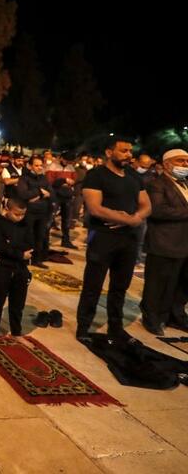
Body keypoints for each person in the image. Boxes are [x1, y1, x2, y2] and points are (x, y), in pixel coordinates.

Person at [76, 137, 151, 343]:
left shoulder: (134, 177)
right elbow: (95, 208)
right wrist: (129, 219)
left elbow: (146, 205)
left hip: (129, 240)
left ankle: (115, 327)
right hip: (103, 238)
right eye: (124, 150)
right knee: (93, 286)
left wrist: (132, 220)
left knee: (120, 287)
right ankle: (83, 327)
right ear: (109, 153)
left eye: (130, 151)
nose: (129, 154)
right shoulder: (96, 175)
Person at [140, 149, 188, 335]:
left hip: (184, 243)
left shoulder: (185, 183)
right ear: (167, 163)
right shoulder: (156, 184)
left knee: (181, 283)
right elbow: (159, 211)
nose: (185, 165)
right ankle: (151, 318)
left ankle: (174, 315)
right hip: (164, 242)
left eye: (187, 161)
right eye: (181, 161)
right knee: (157, 284)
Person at [0, 197, 34, 349]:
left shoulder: (26, 223)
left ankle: (16, 333)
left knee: (18, 303)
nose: (20, 217)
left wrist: (11, 246)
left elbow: (31, 244)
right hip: (2, 268)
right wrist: (19, 253)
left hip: (21, 269)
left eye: (23, 214)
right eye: (17, 214)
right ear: (7, 210)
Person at [16, 157, 53, 267]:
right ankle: (26, 258)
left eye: (41, 165)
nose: (39, 167)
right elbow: (23, 194)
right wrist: (39, 192)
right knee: (28, 235)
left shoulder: (44, 178)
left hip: (43, 211)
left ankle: (37, 259)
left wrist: (39, 195)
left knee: (40, 236)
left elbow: (51, 193)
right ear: (30, 166)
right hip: (29, 211)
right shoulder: (24, 178)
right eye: (36, 165)